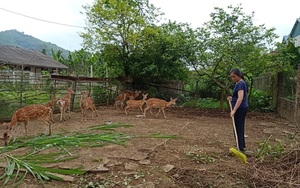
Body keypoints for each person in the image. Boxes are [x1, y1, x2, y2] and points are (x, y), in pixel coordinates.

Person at [227, 68, 248, 153]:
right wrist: (232, 98)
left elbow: (240, 98)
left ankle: (240, 148)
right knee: (239, 127)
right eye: (231, 77)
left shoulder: (240, 83)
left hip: (240, 108)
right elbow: (237, 97)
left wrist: (234, 110)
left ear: (239, 75)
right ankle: (241, 146)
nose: (233, 78)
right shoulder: (239, 83)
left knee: (238, 127)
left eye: (234, 76)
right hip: (241, 108)